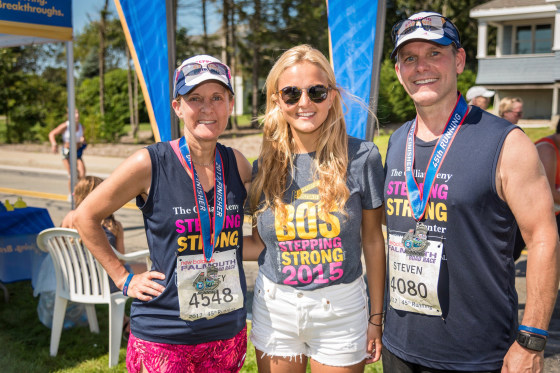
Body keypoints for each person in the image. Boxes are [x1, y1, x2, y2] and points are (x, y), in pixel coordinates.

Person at [383, 11, 559, 372]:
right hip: (399, 346)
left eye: (435, 53)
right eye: (409, 58)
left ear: (459, 60)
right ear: (399, 70)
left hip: (477, 355)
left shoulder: (506, 142)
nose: (422, 67)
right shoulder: (398, 140)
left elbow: (544, 238)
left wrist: (531, 339)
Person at [73, 54, 252, 373]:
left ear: (230, 104)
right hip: (164, 335)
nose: (207, 108)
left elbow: (250, 231)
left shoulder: (237, 163)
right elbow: (85, 216)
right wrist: (121, 277)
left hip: (227, 332)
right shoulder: (149, 163)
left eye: (216, 97)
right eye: (195, 98)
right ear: (178, 107)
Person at [245, 44, 386, 372]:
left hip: (341, 310)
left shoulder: (363, 157)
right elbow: (261, 245)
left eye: (316, 91)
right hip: (274, 307)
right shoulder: (264, 166)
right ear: (277, 100)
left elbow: (373, 241)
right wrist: (196, 245)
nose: (304, 103)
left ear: (333, 96)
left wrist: (376, 318)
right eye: (291, 93)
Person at [48, 109, 87, 194]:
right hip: (67, 152)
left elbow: (83, 139)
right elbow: (52, 134)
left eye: (77, 113)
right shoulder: (66, 126)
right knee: (73, 174)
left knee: (82, 173)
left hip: (77, 153)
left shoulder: (81, 127)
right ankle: (71, 194)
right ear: (69, 115)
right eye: (74, 113)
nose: (77, 115)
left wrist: (83, 140)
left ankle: (79, 192)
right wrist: (54, 144)